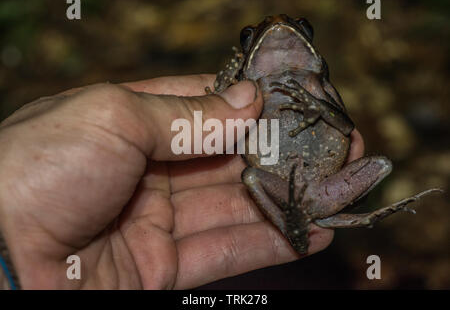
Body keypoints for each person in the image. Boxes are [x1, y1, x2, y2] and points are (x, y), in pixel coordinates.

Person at [0, 74, 364, 289]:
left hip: (304, 171)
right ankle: (297, 226)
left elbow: (345, 126)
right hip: (263, 172)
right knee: (253, 179)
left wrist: (15, 256)